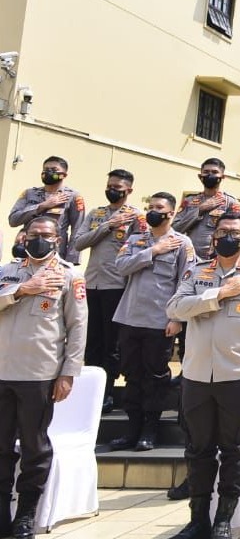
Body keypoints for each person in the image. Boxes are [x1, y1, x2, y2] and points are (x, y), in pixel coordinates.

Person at [162, 212, 240, 539]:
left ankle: (224, 519)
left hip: (238, 373)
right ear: (213, 238)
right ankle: (198, 519)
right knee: (198, 448)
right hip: (197, 373)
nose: (228, 236)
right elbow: (175, 308)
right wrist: (219, 293)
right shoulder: (197, 271)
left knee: (232, 447)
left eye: (236, 232)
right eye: (223, 231)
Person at [0, 214, 87, 539]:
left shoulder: (69, 276)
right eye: (33, 233)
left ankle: (26, 513)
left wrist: (68, 373)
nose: (39, 239)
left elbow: (77, 328)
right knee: (1, 446)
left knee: (34, 446)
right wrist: (23, 290)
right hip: (2, 370)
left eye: (46, 235)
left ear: (57, 240)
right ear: (23, 237)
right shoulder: (7, 272)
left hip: (38, 374)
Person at [110, 193, 195, 451]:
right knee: (131, 374)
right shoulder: (136, 239)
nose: (153, 211)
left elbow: (186, 282)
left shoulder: (182, 243)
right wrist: (153, 251)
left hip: (160, 321)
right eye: (151, 206)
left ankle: (150, 429)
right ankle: (132, 429)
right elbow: (121, 267)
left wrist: (177, 318)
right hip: (130, 317)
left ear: (171, 213)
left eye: (159, 207)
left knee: (155, 376)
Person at [73, 168, 144, 411]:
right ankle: (90, 388)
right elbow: (78, 243)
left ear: (129, 190)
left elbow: (140, 250)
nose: (112, 190)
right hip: (92, 282)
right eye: (110, 186)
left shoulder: (136, 217)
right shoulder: (97, 214)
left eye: (118, 187)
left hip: (116, 285)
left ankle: (108, 390)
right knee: (92, 339)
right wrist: (107, 226)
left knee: (111, 342)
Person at [8, 155, 86, 263]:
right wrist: (42, 206)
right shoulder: (29, 193)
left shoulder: (73, 197)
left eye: (54, 170)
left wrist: (72, 260)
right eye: (46, 169)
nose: (49, 172)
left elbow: (77, 230)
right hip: (27, 251)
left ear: (64, 175)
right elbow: (13, 220)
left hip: (54, 254)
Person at [174, 158, 240, 261]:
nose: (210, 175)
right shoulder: (189, 200)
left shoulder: (230, 202)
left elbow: (236, 234)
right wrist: (199, 209)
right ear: (200, 176)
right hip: (188, 257)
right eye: (206, 172)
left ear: (223, 177)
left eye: (214, 172)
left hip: (215, 259)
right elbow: (175, 229)